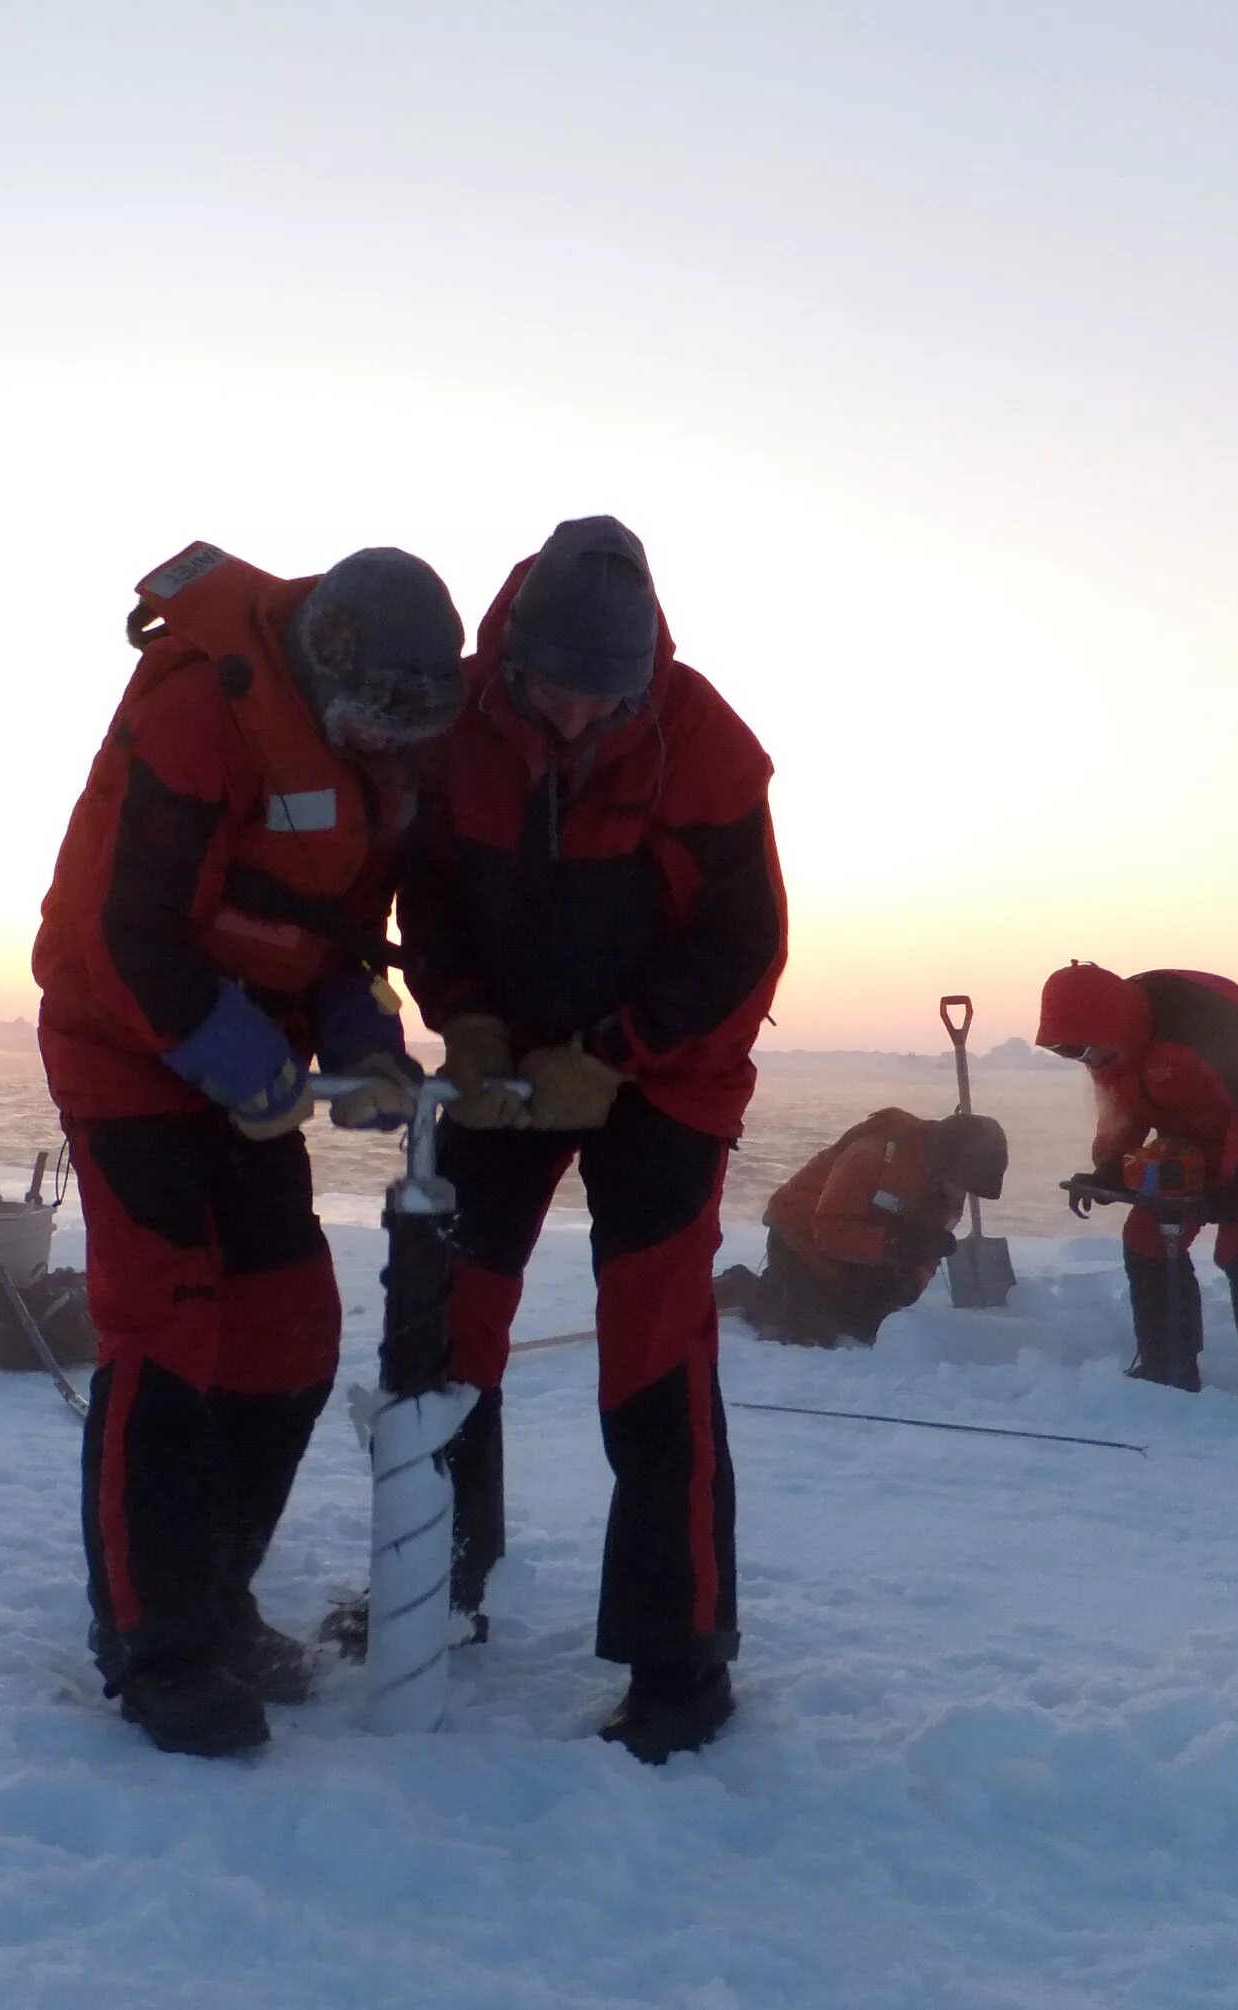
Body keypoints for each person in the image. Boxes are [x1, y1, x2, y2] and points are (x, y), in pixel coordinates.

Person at [34, 540, 465, 1756]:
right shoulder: (198, 710)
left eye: (411, 725)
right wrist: (233, 1055)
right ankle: (156, 1647)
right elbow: (127, 935)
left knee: (284, 1335)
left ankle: (217, 1594)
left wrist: (359, 1034)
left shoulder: (379, 757)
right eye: (381, 716)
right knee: (167, 1326)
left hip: (256, 1063)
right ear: (333, 666)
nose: (392, 743)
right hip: (128, 1049)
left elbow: (335, 929)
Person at [396, 514, 785, 1764]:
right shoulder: (455, 719)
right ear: (513, 655)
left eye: (601, 702)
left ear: (645, 678)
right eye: (552, 693)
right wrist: (465, 1019)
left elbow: (742, 949)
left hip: (665, 1074)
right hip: (511, 1056)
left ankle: (682, 1662)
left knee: (652, 1346)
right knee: (446, 1315)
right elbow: (430, 891)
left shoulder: (708, 747)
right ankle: (431, 1584)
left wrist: (615, 1051)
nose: (572, 723)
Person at [1034, 961, 1238, 1402]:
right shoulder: (1108, 1046)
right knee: (1148, 1237)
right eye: (1070, 1053)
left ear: (1114, 1026)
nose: (1086, 1060)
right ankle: (1167, 1367)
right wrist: (1111, 1167)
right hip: (1187, 1126)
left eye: (1086, 1050)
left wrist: (1235, 1188)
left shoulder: (1199, 1026)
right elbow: (1123, 1107)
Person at [719, 1109, 1009, 1346]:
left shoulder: (947, 1193)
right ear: (948, 1164)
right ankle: (741, 1288)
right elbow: (828, 1229)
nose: (961, 1196)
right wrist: (893, 1244)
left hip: (862, 1253)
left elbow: (927, 1251)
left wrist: (911, 1282)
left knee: (863, 1328)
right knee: (808, 1332)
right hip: (799, 1237)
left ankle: (798, 1294)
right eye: (963, 1185)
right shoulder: (875, 1153)